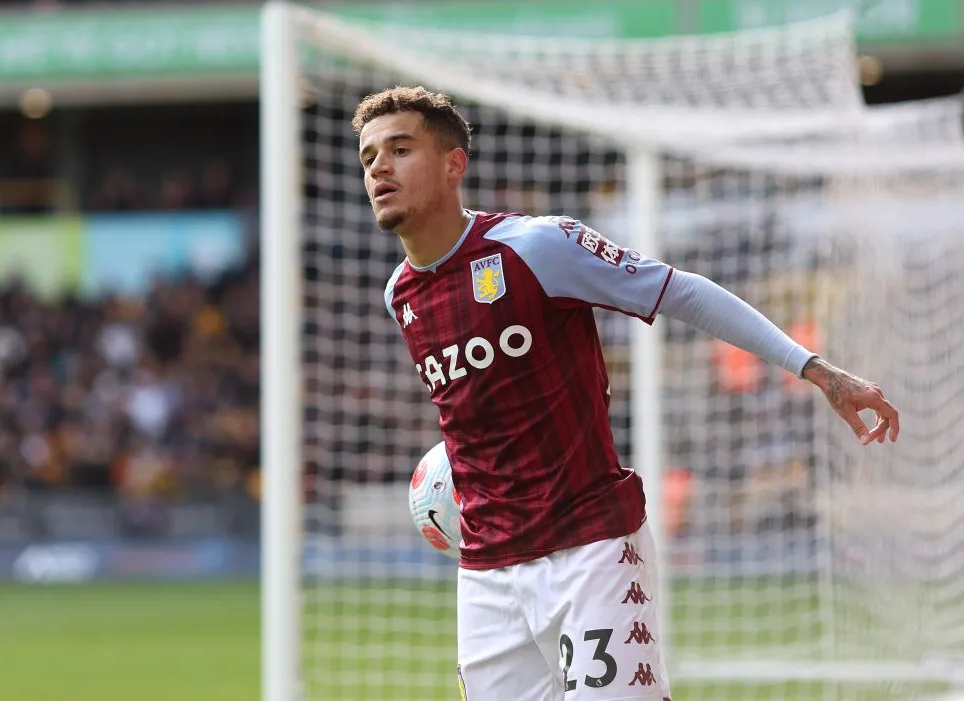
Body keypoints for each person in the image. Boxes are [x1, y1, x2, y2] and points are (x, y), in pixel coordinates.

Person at [352, 85, 899, 701]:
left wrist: (817, 369)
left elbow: (682, 292)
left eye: (400, 149)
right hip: (487, 577)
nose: (379, 168)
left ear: (455, 164)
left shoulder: (536, 247)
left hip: (591, 549)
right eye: (370, 156)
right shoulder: (400, 295)